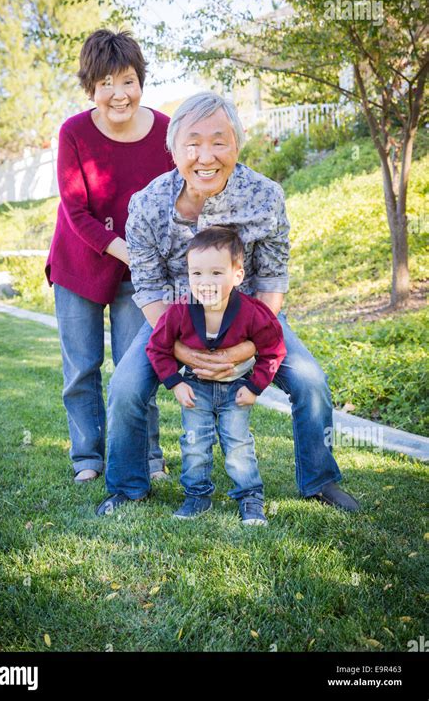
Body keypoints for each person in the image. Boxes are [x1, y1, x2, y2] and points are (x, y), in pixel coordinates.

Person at [96, 91, 360, 515]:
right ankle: (128, 487)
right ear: (174, 148)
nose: (206, 155)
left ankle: (320, 480)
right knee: (126, 387)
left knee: (310, 381)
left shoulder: (266, 197)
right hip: (172, 318)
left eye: (219, 141)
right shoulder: (145, 204)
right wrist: (182, 348)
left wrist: (246, 348)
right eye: (192, 143)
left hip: (254, 316)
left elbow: (273, 280)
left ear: (237, 143)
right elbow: (147, 286)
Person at [45, 29, 175, 483]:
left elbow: (175, 200)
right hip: (79, 266)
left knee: (136, 366)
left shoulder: (164, 132)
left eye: (127, 81)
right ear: (91, 88)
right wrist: (130, 251)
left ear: (140, 81)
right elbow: (75, 211)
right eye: (106, 84)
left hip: (137, 276)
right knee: (82, 368)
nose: (118, 94)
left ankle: (149, 456)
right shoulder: (74, 133)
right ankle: (87, 458)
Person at [145, 226, 287, 525]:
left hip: (236, 389)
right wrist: (175, 382)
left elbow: (273, 349)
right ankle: (197, 497)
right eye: (197, 274)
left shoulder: (252, 312)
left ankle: (250, 499)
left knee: (238, 444)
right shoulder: (179, 312)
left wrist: (255, 386)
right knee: (194, 444)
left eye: (216, 273)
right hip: (196, 388)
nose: (205, 282)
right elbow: (158, 347)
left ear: (237, 275)